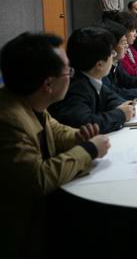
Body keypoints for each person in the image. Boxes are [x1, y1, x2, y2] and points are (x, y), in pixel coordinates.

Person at [0, 33, 111, 258]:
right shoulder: (8, 120)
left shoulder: (30, 100)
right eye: (68, 71)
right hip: (21, 232)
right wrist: (89, 149)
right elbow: (38, 179)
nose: (71, 76)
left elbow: (56, 130)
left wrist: (79, 136)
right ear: (48, 84)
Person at [48, 27, 136, 133]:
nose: (114, 55)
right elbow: (85, 124)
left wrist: (122, 107)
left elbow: (110, 98)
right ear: (99, 65)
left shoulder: (90, 77)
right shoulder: (76, 88)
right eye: (112, 53)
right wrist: (120, 114)